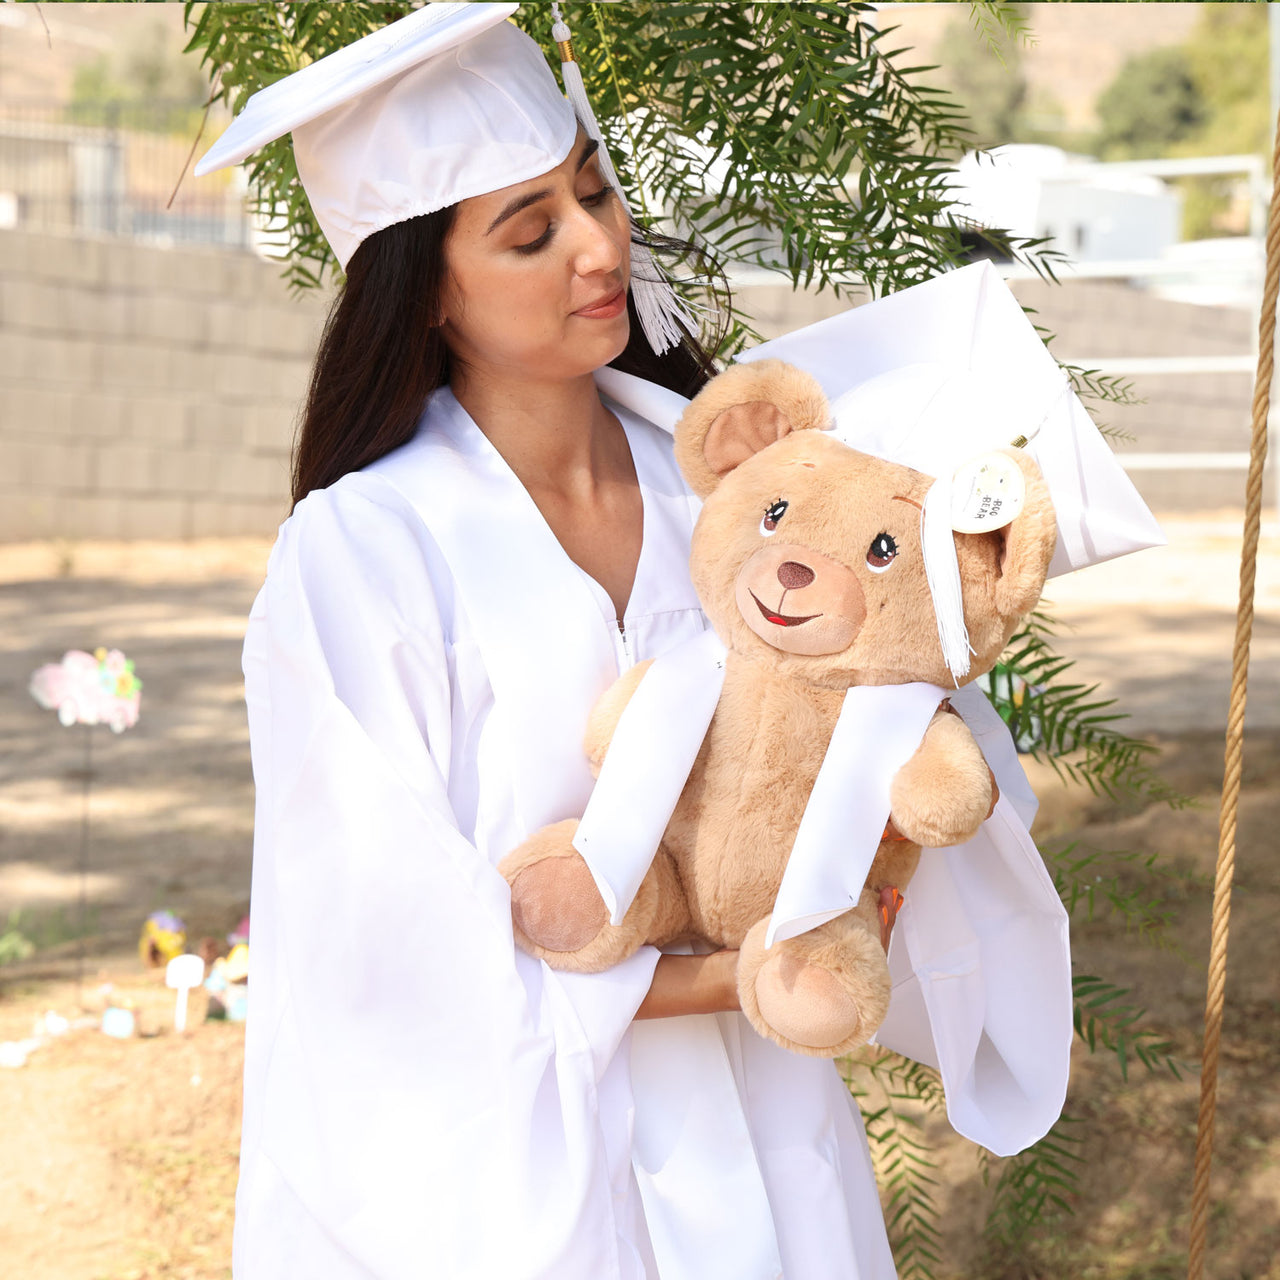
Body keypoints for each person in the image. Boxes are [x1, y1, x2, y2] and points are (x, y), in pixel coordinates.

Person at [197, 6, 1078, 1277]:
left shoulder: (729, 496)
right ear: (425, 288)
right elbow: (379, 940)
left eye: (594, 190)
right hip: (522, 1163)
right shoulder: (368, 549)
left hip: (764, 1127)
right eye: (530, 230)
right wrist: (732, 976)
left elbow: (890, 708)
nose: (599, 244)